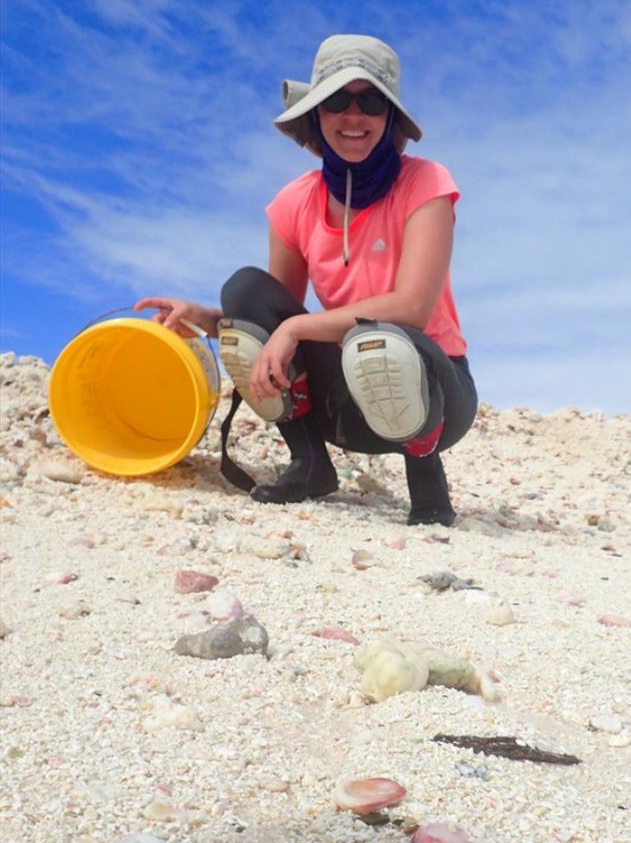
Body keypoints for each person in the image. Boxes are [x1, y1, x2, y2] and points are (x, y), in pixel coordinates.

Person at [134, 34, 477, 525]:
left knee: (384, 337)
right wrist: (207, 319)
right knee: (244, 289)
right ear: (316, 113)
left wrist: (294, 329)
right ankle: (310, 463)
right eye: (337, 100)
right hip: (347, 403)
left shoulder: (426, 184)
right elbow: (270, 317)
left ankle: (428, 489)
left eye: (371, 102)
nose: (353, 116)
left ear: (390, 117)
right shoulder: (293, 203)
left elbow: (412, 308)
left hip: (436, 395)